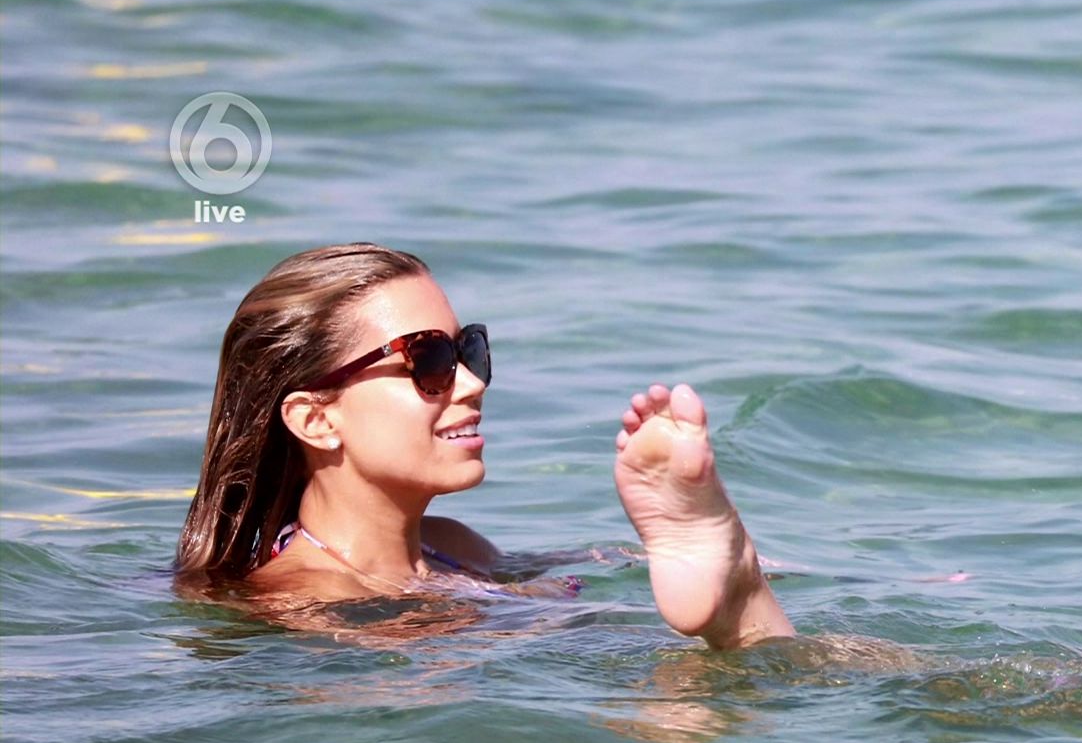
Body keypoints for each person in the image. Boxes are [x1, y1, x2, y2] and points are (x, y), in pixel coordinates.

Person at [174, 242, 792, 649]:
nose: (472, 382)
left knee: (833, 665)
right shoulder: (311, 607)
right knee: (692, 689)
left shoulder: (453, 547)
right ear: (314, 420)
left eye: (466, 349)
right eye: (428, 360)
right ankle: (737, 592)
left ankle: (737, 585)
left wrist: (623, 555)